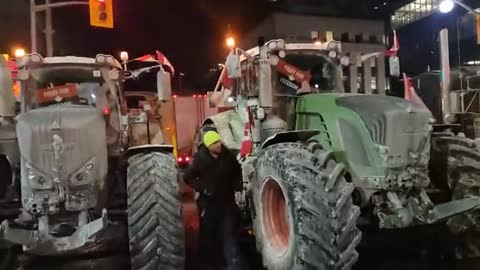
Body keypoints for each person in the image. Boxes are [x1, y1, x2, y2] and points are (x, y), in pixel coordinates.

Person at [184, 130, 244, 270]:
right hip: (209, 205)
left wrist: (238, 188)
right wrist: (202, 188)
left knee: (230, 237)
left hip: (227, 204)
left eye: (219, 141)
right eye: (214, 143)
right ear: (208, 145)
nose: (218, 145)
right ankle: (211, 264)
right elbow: (188, 177)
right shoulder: (200, 158)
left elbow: (237, 173)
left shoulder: (228, 156)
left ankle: (234, 265)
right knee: (209, 237)